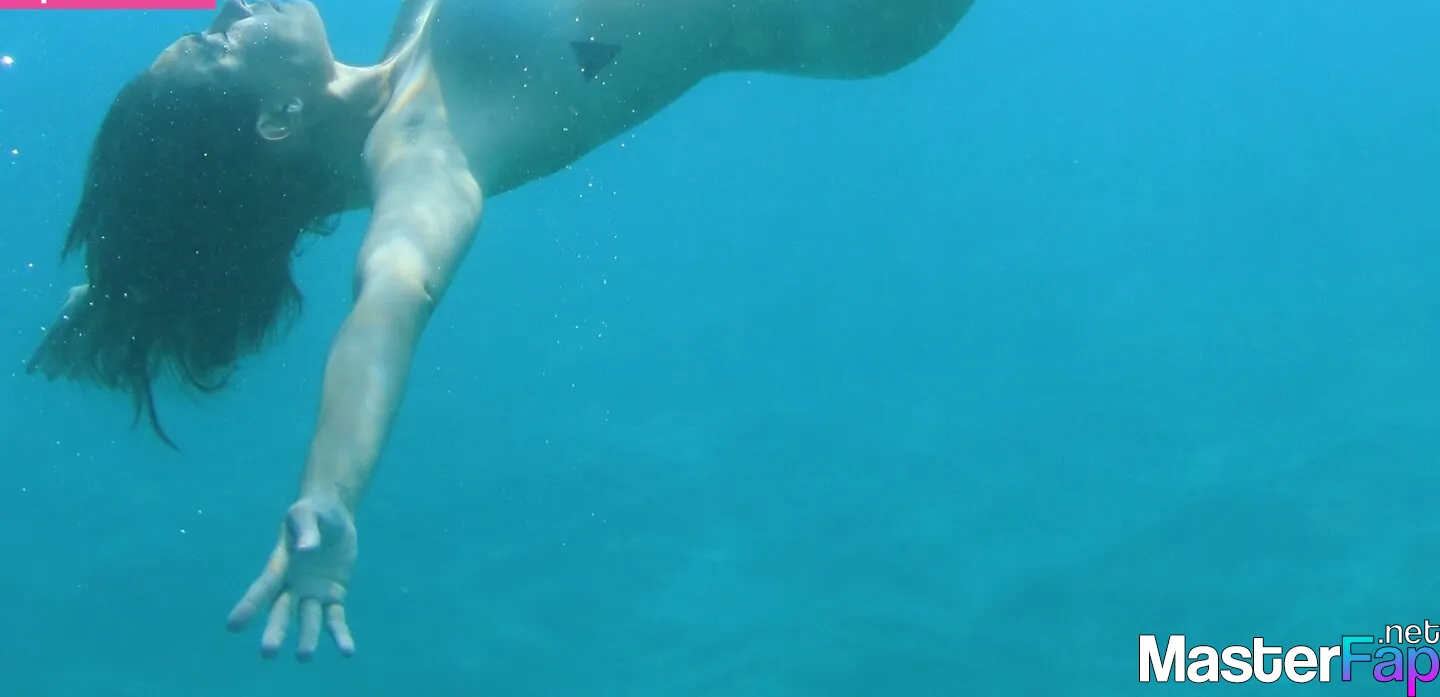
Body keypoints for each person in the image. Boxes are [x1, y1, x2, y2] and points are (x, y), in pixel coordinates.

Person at [26, 0, 972, 661]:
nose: (229, 8)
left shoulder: (405, 56)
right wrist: (329, 493)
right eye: (216, 41)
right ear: (277, 117)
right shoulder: (423, 155)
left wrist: (123, 285)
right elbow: (391, 301)